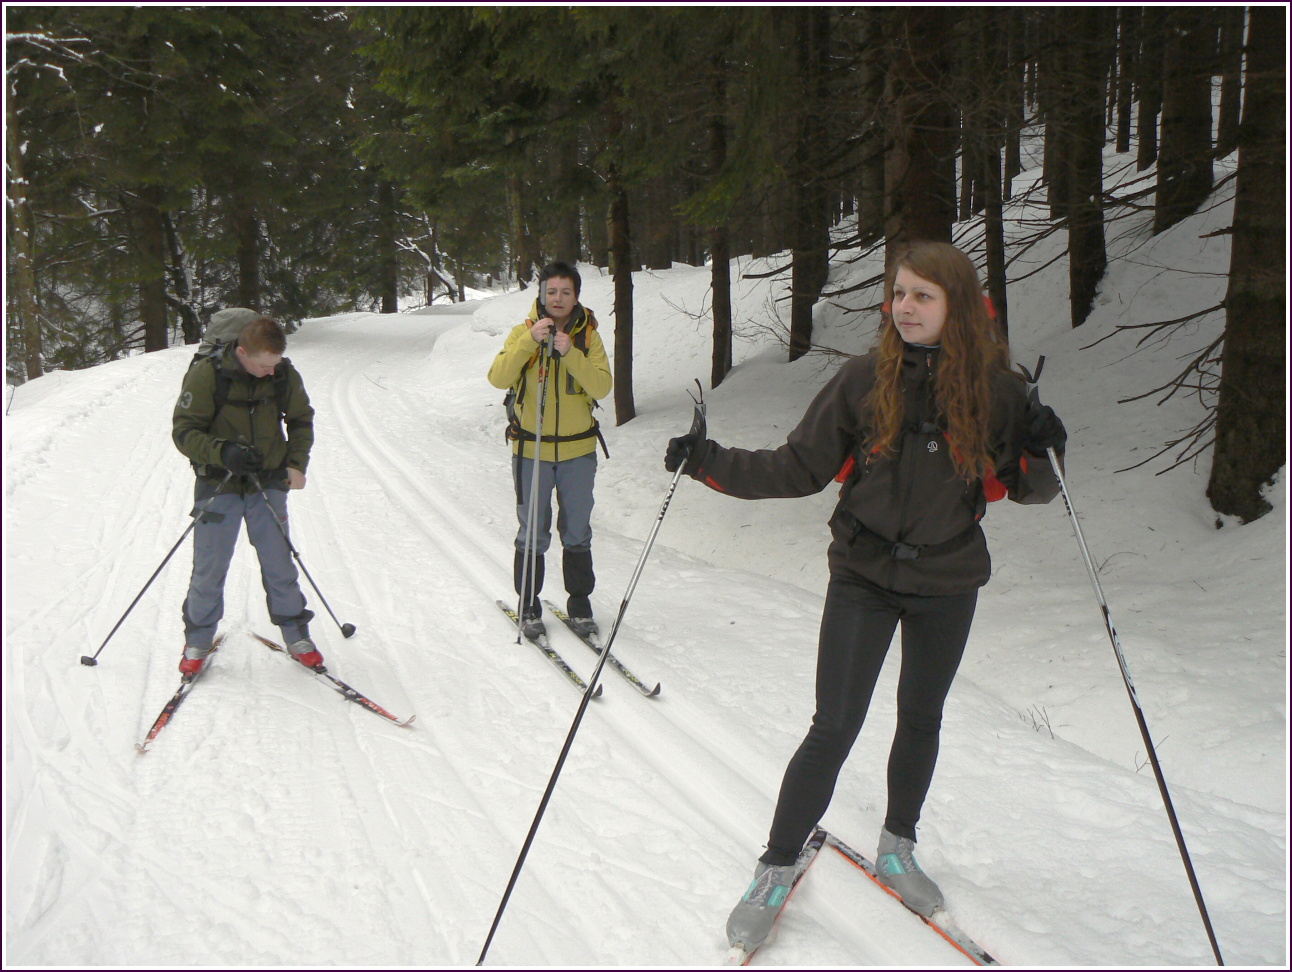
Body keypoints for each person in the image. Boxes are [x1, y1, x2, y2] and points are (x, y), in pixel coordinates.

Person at [664, 241, 1067, 951]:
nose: (904, 307)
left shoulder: (999, 393)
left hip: (948, 580)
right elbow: (798, 466)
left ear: (960, 309)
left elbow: (1033, 488)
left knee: (922, 718)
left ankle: (897, 847)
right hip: (863, 576)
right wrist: (709, 463)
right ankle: (775, 864)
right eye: (899, 294)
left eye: (922, 296)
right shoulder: (862, 380)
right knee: (834, 724)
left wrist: (1042, 449)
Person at [172, 313, 318, 676]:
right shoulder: (207, 374)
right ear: (241, 352)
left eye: (276, 364)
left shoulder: (283, 372)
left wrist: (296, 463)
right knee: (210, 566)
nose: (271, 372)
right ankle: (198, 640)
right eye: (264, 365)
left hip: (267, 481)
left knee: (279, 561)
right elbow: (184, 432)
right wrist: (222, 452)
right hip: (218, 482)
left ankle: (297, 634)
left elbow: (301, 418)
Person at [488, 262, 613, 639]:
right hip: (531, 450)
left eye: (566, 292)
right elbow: (498, 377)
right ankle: (528, 605)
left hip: (578, 452)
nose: (558, 299)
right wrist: (530, 342)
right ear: (541, 295)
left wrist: (570, 353)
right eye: (551, 291)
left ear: (576, 296)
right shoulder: (522, 333)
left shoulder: (588, 338)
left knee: (577, 529)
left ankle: (580, 605)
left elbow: (603, 387)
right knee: (533, 530)